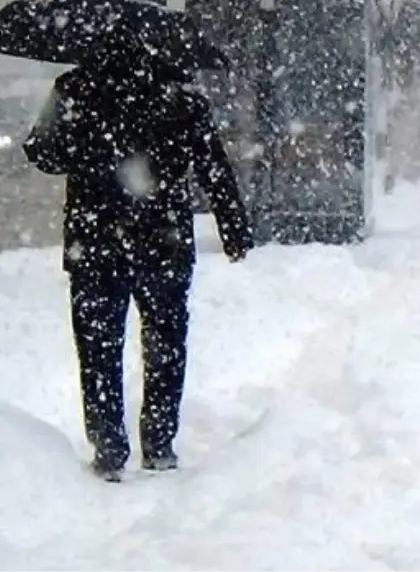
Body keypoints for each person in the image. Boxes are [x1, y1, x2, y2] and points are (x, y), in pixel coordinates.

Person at [23, 53, 254, 482]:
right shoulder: (180, 94)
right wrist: (233, 228)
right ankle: (160, 443)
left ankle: (109, 446)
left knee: (98, 347)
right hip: (162, 237)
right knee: (165, 340)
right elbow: (213, 168)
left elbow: (44, 153)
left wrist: (81, 142)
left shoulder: (77, 87)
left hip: (95, 240)